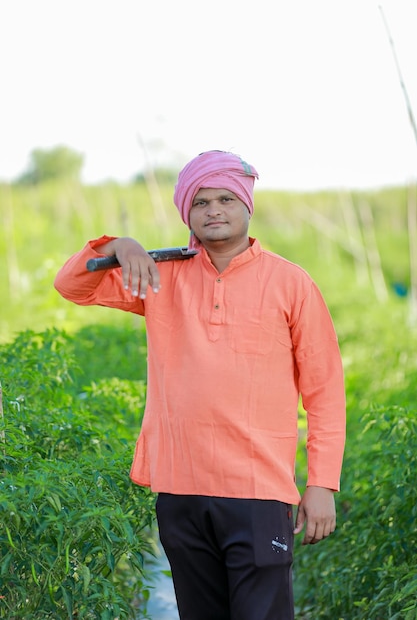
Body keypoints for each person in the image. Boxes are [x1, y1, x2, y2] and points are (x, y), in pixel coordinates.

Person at [54, 150, 346, 620]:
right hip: (181, 487)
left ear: (247, 205)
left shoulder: (291, 283)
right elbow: (72, 286)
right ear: (186, 211)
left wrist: (322, 483)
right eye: (202, 201)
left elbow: (325, 390)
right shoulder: (159, 273)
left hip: (258, 489)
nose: (214, 210)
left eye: (226, 199)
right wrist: (120, 246)